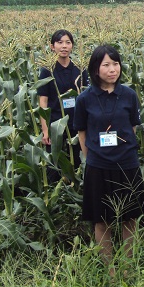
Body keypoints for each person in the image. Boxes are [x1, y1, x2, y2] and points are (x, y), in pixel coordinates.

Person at [74, 44, 144, 271]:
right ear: (95, 69)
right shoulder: (85, 99)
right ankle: (109, 269)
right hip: (98, 166)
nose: (112, 69)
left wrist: (122, 151)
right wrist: (94, 158)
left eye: (115, 64)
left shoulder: (129, 95)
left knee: (130, 217)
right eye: (106, 65)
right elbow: (82, 133)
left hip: (127, 164)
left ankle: (127, 266)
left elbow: (132, 128)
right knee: (101, 219)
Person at [38, 29, 88, 183]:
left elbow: (86, 96)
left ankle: (77, 185)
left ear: (72, 46)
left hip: (76, 122)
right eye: (60, 42)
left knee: (79, 157)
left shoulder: (80, 68)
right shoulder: (47, 70)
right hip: (55, 123)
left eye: (68, 42)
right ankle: (56, 190)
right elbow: (43, 101)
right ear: (52, 46)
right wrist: (45, 130)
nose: (64, 46)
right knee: (54, 160)